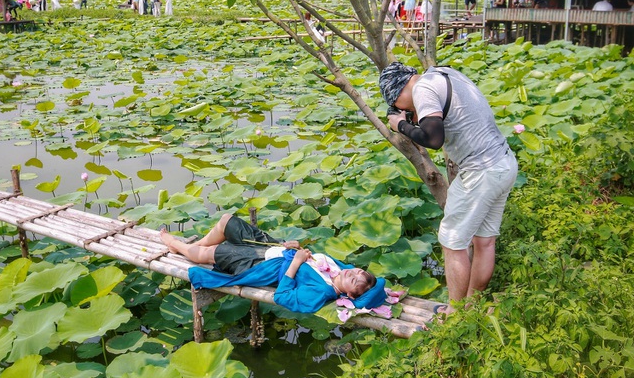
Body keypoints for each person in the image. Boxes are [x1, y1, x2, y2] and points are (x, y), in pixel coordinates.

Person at [379, 62, 518, 317]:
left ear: (398, 92)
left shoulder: (423, 89)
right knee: (484, 241)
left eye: (398, 104)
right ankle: (471, 306)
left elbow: (433, 139)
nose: (403, 109)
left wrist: (401, 124)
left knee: (453, 242)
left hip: (480, 171)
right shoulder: (444, 74)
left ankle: (454, 315)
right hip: (504, 163)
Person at [160, 214, 387, 313]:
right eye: (359, 272)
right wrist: (294, 248)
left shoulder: (322, 292)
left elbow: (282, 296)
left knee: (212, 253)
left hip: (259, 265)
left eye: (355, 282)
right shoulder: (338, 268)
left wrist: (296, 263)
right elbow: (311, 258)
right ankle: (186, 248)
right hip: (275, 249)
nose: (354, 274)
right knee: (226, 222)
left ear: (348, 296)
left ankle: (175, 244)